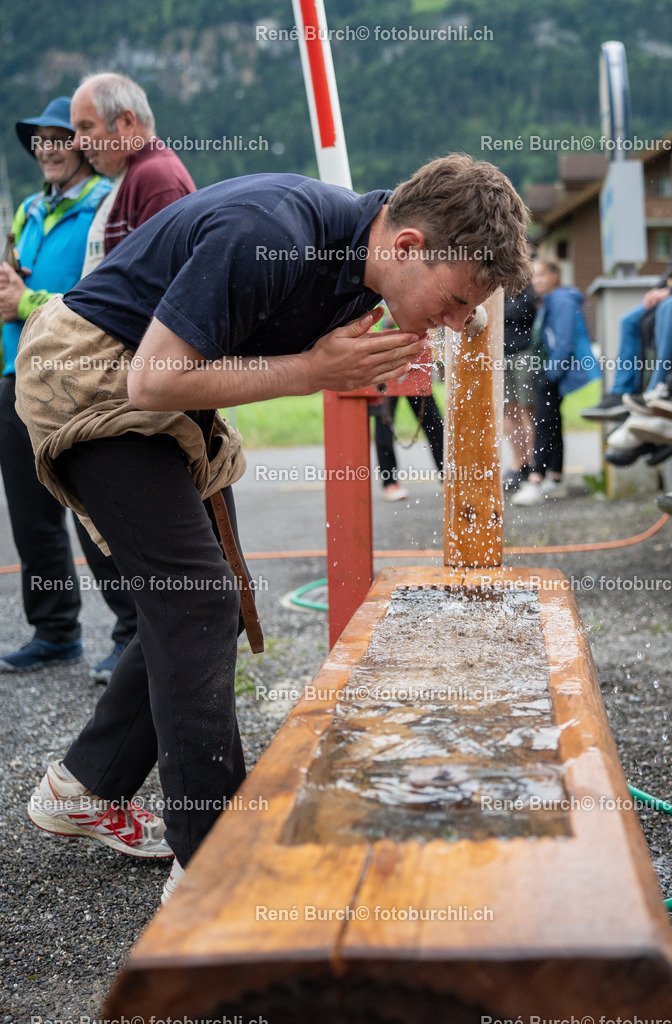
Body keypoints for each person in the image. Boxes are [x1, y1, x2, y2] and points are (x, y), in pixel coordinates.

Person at [15, 154, 531, 899]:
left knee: (205, 603)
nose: (458, 322)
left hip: (154, 386)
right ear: (410, 247)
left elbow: (445, 295)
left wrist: (455, 310)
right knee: (196, 599)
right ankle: (213, 862)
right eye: (453, 301)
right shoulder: (269, 234)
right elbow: (151, 380)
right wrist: (313, 371)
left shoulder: (369, 254)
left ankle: (85, 786)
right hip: (87, 373)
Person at [0, 96, 138, 678]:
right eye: (40, 139)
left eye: (60, 137)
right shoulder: (27, 210)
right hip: (14, 376)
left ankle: (131, 632)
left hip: (75, 379)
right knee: (31, 516)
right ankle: (54, 631)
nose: (48, 149)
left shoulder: (103, 205)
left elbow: (99, 295)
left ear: (83, 146)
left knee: (96, 511)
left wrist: (22, 300)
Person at [582, 151, 672, 423]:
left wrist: (670, 290)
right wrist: (661, 287)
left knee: (669, 308)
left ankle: (659, 389)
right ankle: (621, 393)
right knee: (630, 319)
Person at [69, 72, 196, 268]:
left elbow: (155, 285)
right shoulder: (131, 174)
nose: (77, 143)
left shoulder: (158, 178)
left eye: (86, 127)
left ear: (127, 122)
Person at [513, 259, 600, 507]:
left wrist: (550, 375)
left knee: (543, 423)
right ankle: (556, 478)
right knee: (552, 422)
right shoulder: (550, 300)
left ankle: (536, 480)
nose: (536, 281)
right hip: (547, 372)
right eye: (534, 277)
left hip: (551, 373)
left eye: (541, 275)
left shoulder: (561, 300)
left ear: (555, 275)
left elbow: (563, 342)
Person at [369, 305, 444, 501]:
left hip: (414, 362)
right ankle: (389, 482)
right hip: (385, 360)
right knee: (384, 422)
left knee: (434, 422)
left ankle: (448, 476)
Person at [502, 282, 537, 491]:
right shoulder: (497, 281)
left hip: (524, 353)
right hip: (502, 355)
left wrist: (501, 311)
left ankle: (532, 462)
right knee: (509, 411)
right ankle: (519, 462)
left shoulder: (528, 282)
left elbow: (524, 310)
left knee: (527, 410)